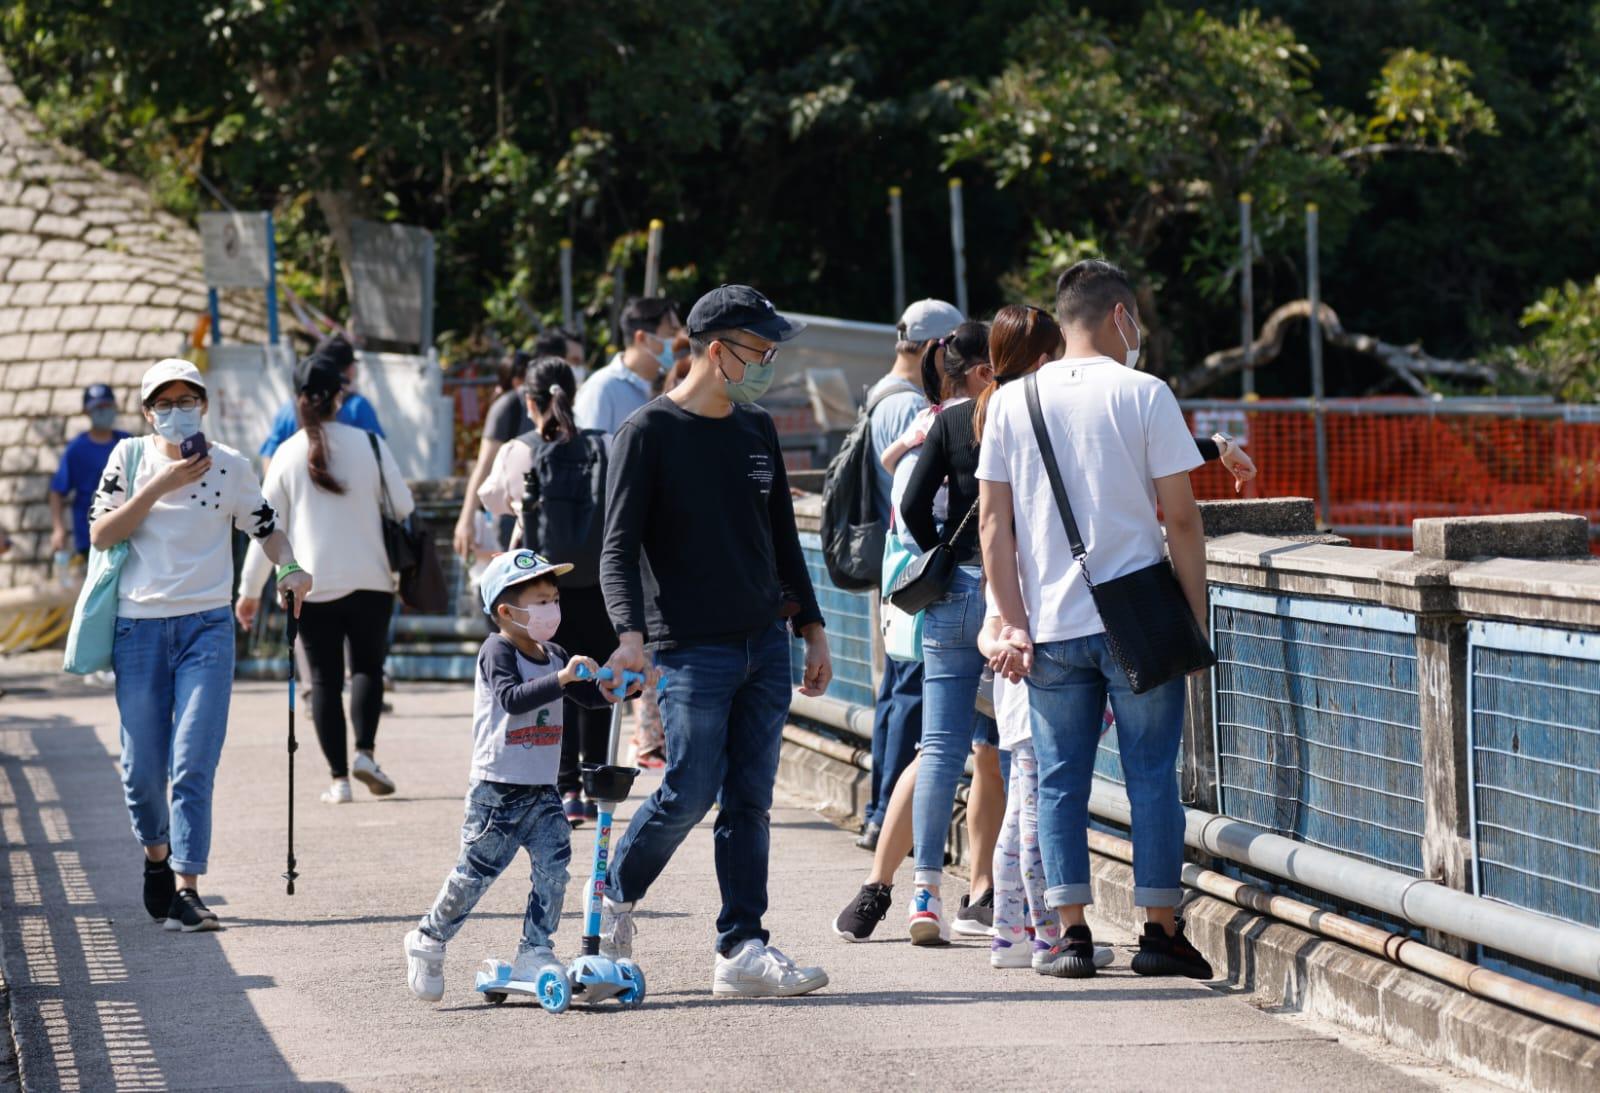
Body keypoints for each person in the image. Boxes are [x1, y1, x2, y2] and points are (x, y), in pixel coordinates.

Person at [978, 260, 1216, 980]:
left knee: (1059, 781)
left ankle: (1071, 935)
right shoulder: (1145, 393)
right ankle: (1160, 933)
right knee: (1152, 777)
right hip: (1139, 619)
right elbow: (1181, 519)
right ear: (1120, 316)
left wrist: (1011, 621)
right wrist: (1193, 621)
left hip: (1050, 626)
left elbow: (994, 525)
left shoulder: (1011, 401)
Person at [597, 284, 833, 998]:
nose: (769, 363)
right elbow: (616, 549)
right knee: (689, 790)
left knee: (750, 800)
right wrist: (630, 637)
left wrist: (812, 628)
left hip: (765, 641)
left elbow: (783, 539)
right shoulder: (646, 432)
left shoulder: (756, 428)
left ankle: (741, 945)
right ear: (719, 349)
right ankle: (615, 894)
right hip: (689, 648)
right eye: (761, 349)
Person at [89, 358, 311, 932]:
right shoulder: (127, 459)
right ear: (147, 413)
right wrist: (160, 486)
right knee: (141, 772)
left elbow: (267, 527)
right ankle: (156, 857)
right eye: (163, 404)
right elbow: (102, 532)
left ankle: (187, 888)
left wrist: (289, 567)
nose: (176, 412)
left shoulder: (231, 466)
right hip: (138, 629)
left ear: (203, 405)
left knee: (192, 763)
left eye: (186, 401)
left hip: (207, 628)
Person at [403, 549, 610, 1002]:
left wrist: (617, 690)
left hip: (542, 790)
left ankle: (535, 948)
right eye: (541, 601)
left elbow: (587, 698)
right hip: (497, 790)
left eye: (554, 599)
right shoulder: (496, 650)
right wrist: (562, 679)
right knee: (475, 874)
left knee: (554, 868)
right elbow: (513, 698)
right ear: (506, 611)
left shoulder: (554, 653)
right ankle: (428, 937)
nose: (552, 609)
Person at [238, 353, 415, 804]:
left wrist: (248, 592)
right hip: (373, 579)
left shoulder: (286, 453)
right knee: (368, 668)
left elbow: (264, 527)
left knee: (323, 681)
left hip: (309, 586)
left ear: (297, 400)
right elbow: (404, 505)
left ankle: (339, 781)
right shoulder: (371, 444)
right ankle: (366, 754)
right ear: (340, 397)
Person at [474, 357, 616, 825]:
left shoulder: (519, 449)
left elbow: (492, 499)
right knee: (595, 678)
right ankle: (596, 783)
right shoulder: (605, 444)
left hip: (540, 588)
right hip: (598, 580)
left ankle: (566, 786)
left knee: (556, 681)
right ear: (573, 395)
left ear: (529, 401)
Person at [857, 298, 964, 853]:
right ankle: (889, 822)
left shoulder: (885, 397)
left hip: (900, 565)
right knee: (911, 698)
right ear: (938, 350)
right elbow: (913, 493)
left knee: (897, 692)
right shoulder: (915, 408)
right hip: (919, 567)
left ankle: (880, 815)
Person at [259, 336, 383, 476]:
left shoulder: (288, 410)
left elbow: (269, 457)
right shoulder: (359, 407)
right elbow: (378, 456)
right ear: (349, 370)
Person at [573, 296, 681, 436]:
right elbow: (589, 446)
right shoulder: (602, 387)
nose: (679, 342)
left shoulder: (671, 385)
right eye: (672, 334)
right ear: (642, 338)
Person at [50, 383, 131, 570]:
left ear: (115, 407)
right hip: (90, 539)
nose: (103, 411)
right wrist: (58, 529)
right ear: (86, 412)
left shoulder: (127, 443)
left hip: (127, 532)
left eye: (106, 406)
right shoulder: (76, 449)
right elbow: (57, 491)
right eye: (97, 407)